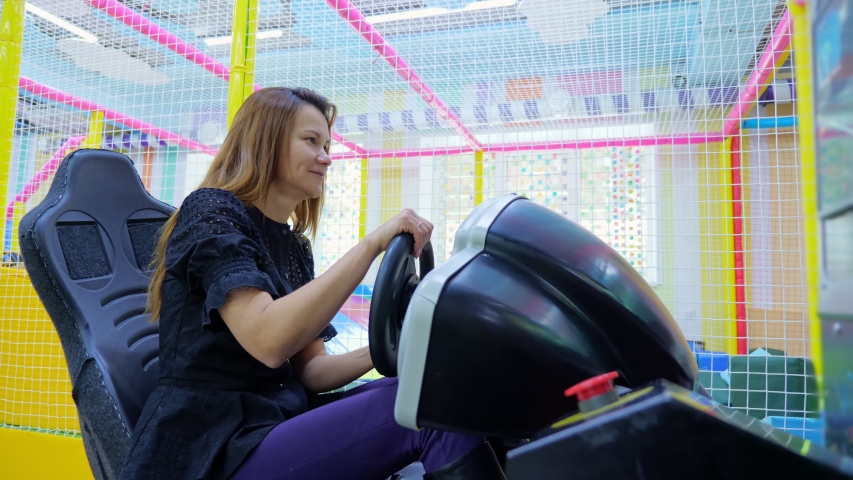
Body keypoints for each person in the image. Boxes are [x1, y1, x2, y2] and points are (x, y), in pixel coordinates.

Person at [119, 87, 507, 480]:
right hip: (211, 446)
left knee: (437, 384)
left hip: (273, 420)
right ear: (265, 142)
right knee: (424, 406)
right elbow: (268, 341)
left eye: (327, 145)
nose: (326, 157)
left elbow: (312, 371)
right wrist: (371, 245)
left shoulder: (293, 246)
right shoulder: (211, 211)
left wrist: (401, 346)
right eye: (311, 141)